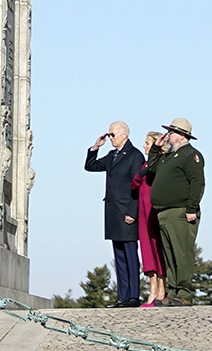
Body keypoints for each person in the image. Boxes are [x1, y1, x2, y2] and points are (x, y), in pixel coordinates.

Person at [85, 121, 145, 307]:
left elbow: (138, 186)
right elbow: (91, 166)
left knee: (130, 254)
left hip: (127, 212)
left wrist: (132, 212)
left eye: (113, 135)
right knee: (119, 256)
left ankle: (134, 296)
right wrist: (95, 147)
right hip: (113, 213)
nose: (110, 138)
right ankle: (123, 296)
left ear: (124, 135)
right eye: (109, 135)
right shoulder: (112, 156)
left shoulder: (135, 156)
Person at [146, 118, 204, 307]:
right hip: (164, 212)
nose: (168, 136)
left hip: (181, 212)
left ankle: (185, 293)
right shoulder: (168, 156)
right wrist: (155, 149)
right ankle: (173, 292)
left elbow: (197, 183)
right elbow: (152, 168)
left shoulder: (190, 155)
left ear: (181, 136)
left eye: (171, 133)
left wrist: (191, 208)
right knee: (169, 255)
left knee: (182, 253)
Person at [134, 132, 166, 307]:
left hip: (155, 211)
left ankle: (162, 290)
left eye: (147, 143)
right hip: (143, 213)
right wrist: (141, 173)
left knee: (158, 250)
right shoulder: (146, 164)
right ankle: (152, 290)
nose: (144, 146)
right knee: (146, 252)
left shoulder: (162, 162)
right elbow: (135, 183)